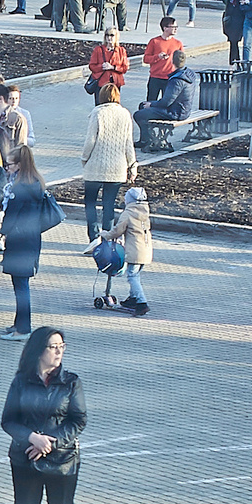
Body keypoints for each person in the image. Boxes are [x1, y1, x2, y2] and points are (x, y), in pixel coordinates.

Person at [0, 326, 86, 504]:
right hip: (25, 460)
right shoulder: (21, 382)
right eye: (53, 346)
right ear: (39, 350)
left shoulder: (71, 382)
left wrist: (50, 442)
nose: (59, 351)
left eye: (62, 345)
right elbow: (8, 420)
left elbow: (78, 420)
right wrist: (32, 438)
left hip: (62, 463)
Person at [0, 147, 60, 341]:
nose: (6, 168)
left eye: (9, 164)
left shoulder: (19, 188)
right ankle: (19, 323)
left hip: (19, 241)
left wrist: (2, 232)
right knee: (20, 283)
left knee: (21, 285)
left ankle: (23, 328)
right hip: (31, 238)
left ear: (18, 165)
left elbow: (12, 215)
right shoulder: (36, 183)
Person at [79, 84, 136, 238]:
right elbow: (128, 143)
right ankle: (107, 237)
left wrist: (84, 159)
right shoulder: (125, 114)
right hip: (116, 168)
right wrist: (132, 165)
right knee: (109, 205)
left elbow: (90, 140)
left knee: (90, 202)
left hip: (95, 167)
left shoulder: (97, 113)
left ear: (101, 97)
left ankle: (93, 236)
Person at [98, 185, 153, 315]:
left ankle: (141, 302)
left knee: (132, 276)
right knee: (136, 274)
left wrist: (105, 234)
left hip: (135, 250)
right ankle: (133, 298)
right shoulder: (144, 213)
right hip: (146, 250)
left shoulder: (128, 214)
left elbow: (117, 230)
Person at [141, 17, 183, 103]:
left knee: (168, 103)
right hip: (155, 77)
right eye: (173, 27)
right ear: (165, 28)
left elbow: (181, 62)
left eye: (176, 27)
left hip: (171, 78)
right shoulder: (154, 41)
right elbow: (146, 59)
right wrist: (157, 57)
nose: (175, 29)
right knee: (150, 102)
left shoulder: (178, 44)